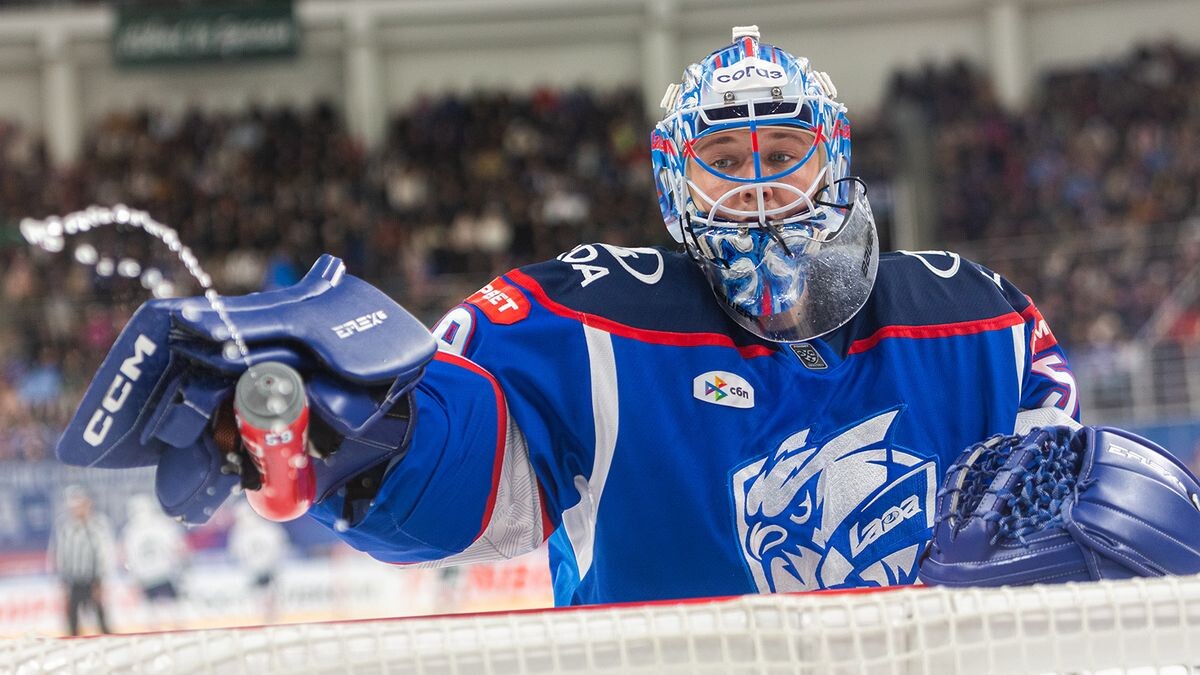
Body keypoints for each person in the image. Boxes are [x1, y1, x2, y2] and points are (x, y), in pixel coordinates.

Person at [59, 26, 1081, 607]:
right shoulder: (588, 317)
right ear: (678, 185)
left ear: (839, 157)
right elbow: (464, 474)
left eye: (784, 154)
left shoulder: (980, 322)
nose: (761, 188)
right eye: (727, 163)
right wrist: (336, 439)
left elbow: (1080, 539)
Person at [48, 486, 114, 635]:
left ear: (88, 504)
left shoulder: (98, 525)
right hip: (73, 581)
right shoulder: (64, 527)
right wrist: (62, 582)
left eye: (80, 505)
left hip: (93, 579)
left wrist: (101, 580)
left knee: (101, 618)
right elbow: (59, 554)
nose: (78, 510)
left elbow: (105, 554)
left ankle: (109, 648)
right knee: (72, 621)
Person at [121, 493, 189, 629]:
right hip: (164, 572)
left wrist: (134, 576)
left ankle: (156, 638)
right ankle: (179, 633)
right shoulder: (161, 524)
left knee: (152, 613)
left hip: (149, 575)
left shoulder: (129, 530)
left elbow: (128, 557)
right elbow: (177, 546)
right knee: (173, 610)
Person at [227, 500, 288, 624]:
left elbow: (235, 553)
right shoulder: (268, 528)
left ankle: (265, 617)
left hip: (260, 568)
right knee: (265, 593)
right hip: (262, 568)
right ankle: (266, 617)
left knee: (263, 594)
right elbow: (281, 545)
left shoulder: (239, 533)